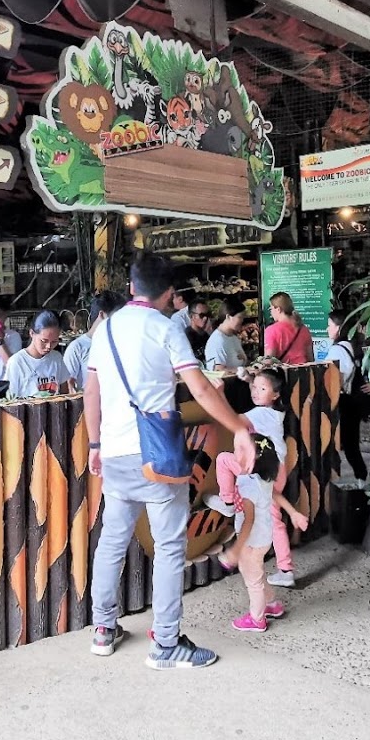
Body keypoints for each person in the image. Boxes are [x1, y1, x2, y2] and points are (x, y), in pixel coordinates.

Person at [85, 251, 257, 669]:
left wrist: (94, 445)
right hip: (157, 456)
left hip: (115, 453)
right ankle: (164, 643)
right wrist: (238, 427)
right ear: (168, 293)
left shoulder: (105, 329)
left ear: (131, 287)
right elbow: (200, 388)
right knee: (168, 548)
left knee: (112, 540)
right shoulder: (165, 329)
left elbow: (92, 390)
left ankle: (103, 629)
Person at [204, 369, 300, 587]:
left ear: (275, 394)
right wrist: (250, 379)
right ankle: (286, 569)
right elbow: (260, 390)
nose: (255, 392)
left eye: (262, 389)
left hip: (260, 470)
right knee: (275, 519)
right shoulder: (275, 411)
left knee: (224, 460)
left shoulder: (261, 414)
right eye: (254, 387)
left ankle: (228, 501)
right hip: (276, 470)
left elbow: (233, 420)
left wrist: (220, 393)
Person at [215, 438, 306, 630]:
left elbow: (248, 521)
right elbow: (275, 494)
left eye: (240, 451)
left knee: (253, 580)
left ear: (251, 460)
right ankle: (271, 604)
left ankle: (257, 619)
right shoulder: (261, 478)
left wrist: (235, 550)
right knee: (256, 573)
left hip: (251, 541)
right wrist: (293, 512)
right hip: (263, 537)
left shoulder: (248, 486)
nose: (235, 453)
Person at [325, 308, 367, 480]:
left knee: (346, 445)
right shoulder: (352, 346)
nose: (327, 329)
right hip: (354, 401)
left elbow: (337, 381)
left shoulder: (337, 351)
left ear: (339, 328)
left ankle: (358, 480)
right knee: (352, 443)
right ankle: (361, 480)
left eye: (329, 325)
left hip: (342, 402)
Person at [61, 291, 125, 392]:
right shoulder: (77, 347)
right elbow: (68, 385)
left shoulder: (120, 344)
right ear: (102, 315)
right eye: (117, 317)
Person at [6, 311, 69, 398]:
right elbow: (11, 398)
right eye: (44, 341)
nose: (48, 346)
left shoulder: (56, 358)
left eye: (54, 341)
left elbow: (64, 393)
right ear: (32, 333)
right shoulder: (17, 362)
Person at [264, 292, 314, 365]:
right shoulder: (303, 329)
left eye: (271, 309)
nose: (271, 313)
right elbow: (310, 359)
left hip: (283, 371)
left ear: (278, 309)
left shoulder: (271, 330)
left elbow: (269, 361)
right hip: (303, 370)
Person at [204, 296, 249, 375]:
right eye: (240, 317)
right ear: (228, 317)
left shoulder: (234, 338)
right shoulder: (217, 341)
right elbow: (218, 370)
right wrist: (240, 370)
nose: (242, 320)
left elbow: (242, 360)